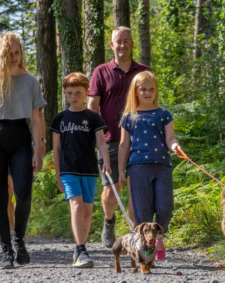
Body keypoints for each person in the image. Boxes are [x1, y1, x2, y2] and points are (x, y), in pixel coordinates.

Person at [0, 32, 46, 269]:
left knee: (24, 194)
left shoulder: (30, 81)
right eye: (9, 53)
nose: (14, 57)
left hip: (21, 139)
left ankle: (19, 240)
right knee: (0, 198)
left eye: (17, 52)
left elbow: (36, 119)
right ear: (0, 55)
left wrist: (38, 148)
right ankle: (6, 253)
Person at [88, 26, 152, 248]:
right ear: (112, 45)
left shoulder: (144, 71)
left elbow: (152, 102)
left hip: (139, 141)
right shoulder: (101, 71)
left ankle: (137, 238)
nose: (123, 45)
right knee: (111, 193)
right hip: (110, 140)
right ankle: (109, 220)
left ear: (132, 44)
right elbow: (92, 105)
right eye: (119, 41)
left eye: (127, 41)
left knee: (137, 191)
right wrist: (94, 135)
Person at [118, 71, 182, 261]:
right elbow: (123, 145)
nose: (147, 92)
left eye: (151, 89)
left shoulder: (164, 114)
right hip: (137, 167)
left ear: (156, 91)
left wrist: (175, 146)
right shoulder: (129, 116)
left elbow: (170, 138)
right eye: (143, 89)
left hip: (162, 166)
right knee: (143, 211)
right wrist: (121, 170)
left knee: (165, 206)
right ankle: (145, 249)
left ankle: (159, 236)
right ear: (135, 91)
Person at [50, 72, 111, 268]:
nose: (73, 96)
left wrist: (106, 162)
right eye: (69, 93)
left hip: (90, 170)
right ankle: (81, 249)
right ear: (65, 94)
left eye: (78, 92)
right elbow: (57, 148)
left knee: (87, 212)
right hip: (68, 170)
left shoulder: (93, 117)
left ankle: (80, 249)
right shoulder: (60, 118)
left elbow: (101, 142)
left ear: (86, 93)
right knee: (75, 207)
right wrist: (58, 174)